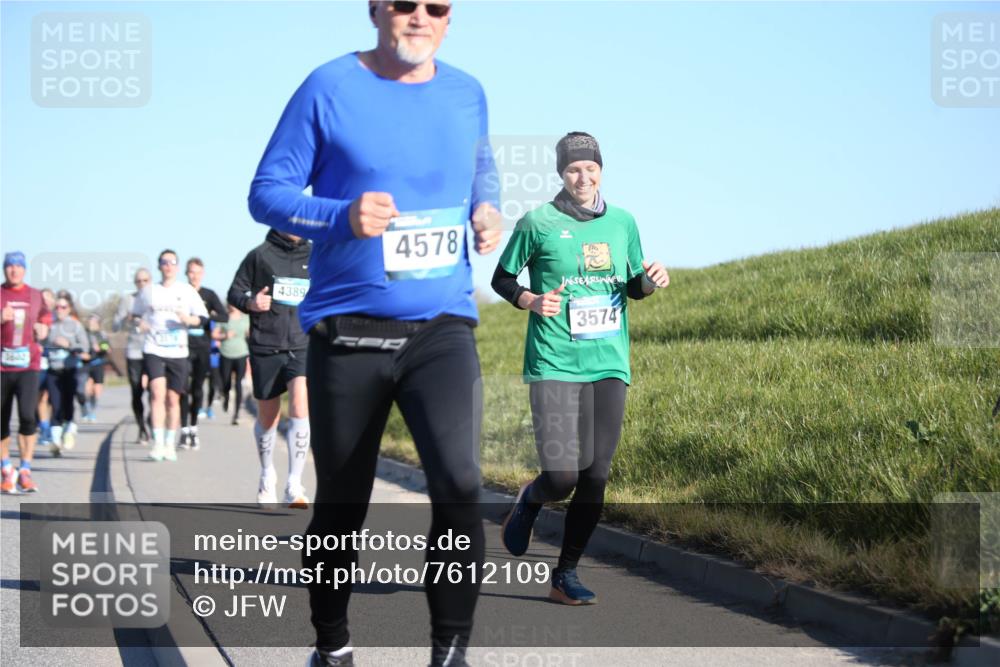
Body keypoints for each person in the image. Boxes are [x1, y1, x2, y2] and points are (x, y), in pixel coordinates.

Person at [247, 2, 501, 664]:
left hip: (443, 324)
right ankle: (331, 643)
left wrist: (487, 205)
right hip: (348, 330)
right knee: (342, 503)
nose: (418, 16)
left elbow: (481, 167)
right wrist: (340, 213)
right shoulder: (328, 86)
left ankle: (450, 651)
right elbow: (266, 193)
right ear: (374, 9)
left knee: (459, 481)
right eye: (403, 3)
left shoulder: (467, 92)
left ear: (451, 18)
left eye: (434, 6)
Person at [492, 132, 670, 605]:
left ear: (602, 171)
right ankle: (531, 499)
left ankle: (564, 576)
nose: (583, 177)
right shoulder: (538, 222)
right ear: (561, 174)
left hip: (608, 361)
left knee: (596, 474)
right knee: (563, 475)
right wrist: (531, 299)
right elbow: (502, 277)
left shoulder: (623, 222)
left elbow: (632, 285)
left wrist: (650, 283)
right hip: (554, 359)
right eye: (574, 169)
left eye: (591, 168)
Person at [227, 230, 312, 508]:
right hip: (266, 345)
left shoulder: (315, 255)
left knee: (300, 405)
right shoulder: (259, 255)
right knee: (269, 415)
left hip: (302, 344)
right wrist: (251, 303)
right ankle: (267, 474)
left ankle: (295, 483)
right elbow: (235, 292)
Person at [132, 249, 209, 462]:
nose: (168, 266)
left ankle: (169, 443)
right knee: (157, 394)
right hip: (154, 348)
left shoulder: (186, 291)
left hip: (178, 350)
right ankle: (157, 444)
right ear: (159, 266)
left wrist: (189, 320)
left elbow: (202, 318)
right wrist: (141, 324)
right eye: (164, 262)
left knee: (173, 399)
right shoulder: (148, 291)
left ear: (177, 266)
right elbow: (135, 315)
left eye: (172, 262)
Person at [1, 252, 51, 493]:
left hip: (28, 366)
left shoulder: (35, 295)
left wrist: (44, 327)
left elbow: (45, 318)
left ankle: (26, 469)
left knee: (28, 416)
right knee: (1, 420)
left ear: (24, 270)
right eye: (9, 266)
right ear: (4, 270)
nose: (14, 270)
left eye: (18, 266)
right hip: (2, 367)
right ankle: (6, 468)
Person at [179, 257, 228, 450]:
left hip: (202, 346)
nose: (195, 276)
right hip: (182, 344)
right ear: (186, 273)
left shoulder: (208, 294)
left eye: (198, 272)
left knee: (198, 388)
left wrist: (206, 318)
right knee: (183, 388)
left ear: (203, 274)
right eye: (191, 272)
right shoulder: (180, 292)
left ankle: (193, 427)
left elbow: (224, 315)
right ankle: (183, 431)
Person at [44, 293, 91, 455]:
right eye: (57, 307)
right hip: (53, 370)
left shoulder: (75, 326)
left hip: (70, 370)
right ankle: (55, 442)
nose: (59, 310)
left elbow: (85, 347)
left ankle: (70, 430)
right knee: (55, 405)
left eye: (63, 307)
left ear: (69, 309)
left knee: (68, 404)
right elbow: (42, 344)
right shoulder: (50, 325)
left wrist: (68, 344)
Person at [114, 268, 153, 443]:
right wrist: (126, 319)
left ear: (150, 281)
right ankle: (142, 428)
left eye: (145, 281)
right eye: (139, 281)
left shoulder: (156, 298)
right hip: (134, 350)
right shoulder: (128, 300)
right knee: (136, 391)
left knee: (156, 390)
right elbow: (116, 325)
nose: (142, 284)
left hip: (154, 348)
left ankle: (153, 418)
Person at [213, 303, 249, 425]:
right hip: (225, 353)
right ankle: (226, 397)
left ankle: (236, 414)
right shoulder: (223, 317)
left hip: (241, 353)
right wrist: (225, 335)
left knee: (239, 383)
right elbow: (214, 334)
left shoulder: (246, 318)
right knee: (225, 382)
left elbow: (250, 332)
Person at [36, 287, 56, 446]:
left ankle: (49, 425)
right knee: (42, 396)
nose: (46, 301)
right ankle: (45, 428)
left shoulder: (58, 318)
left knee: (53, 398)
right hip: (40, 362)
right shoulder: (34, 316)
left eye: (49, 298)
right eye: (43, 298)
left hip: (56, 363)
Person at [81, 314, 110, 422]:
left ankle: (91, 411)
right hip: (87, 363)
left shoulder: (101, 335)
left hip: (98, 363)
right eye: (90, 321)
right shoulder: (84, 333)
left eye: (93, 322)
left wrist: (101, 348)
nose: (91, 324)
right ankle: (86, 409)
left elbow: (106, 347)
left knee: (97, 391)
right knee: (87, 389)